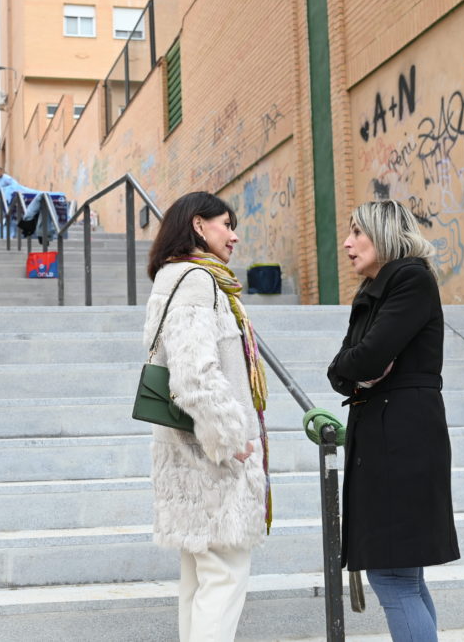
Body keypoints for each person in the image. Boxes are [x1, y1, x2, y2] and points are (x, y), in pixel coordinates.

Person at [326, 199, 460, 642]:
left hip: (400, 441)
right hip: (387, 437)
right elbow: (342, 371)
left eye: (357, 232)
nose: (347, 243)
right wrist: (359, 374)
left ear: (384, 234)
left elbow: (368, 357)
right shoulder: (373, 291)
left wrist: (360, 370)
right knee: (404, 577)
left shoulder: (409, 280)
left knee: (393, 577)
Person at [143, 191, 271, 642]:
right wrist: (231, 437)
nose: (234, 235)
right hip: (211, 457)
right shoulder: (197, 281)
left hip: (189, 452)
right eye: (225, 224)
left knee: (201, 578)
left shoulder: (177, 278)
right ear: (199, 225)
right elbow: (194, 372)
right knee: (224, 575)